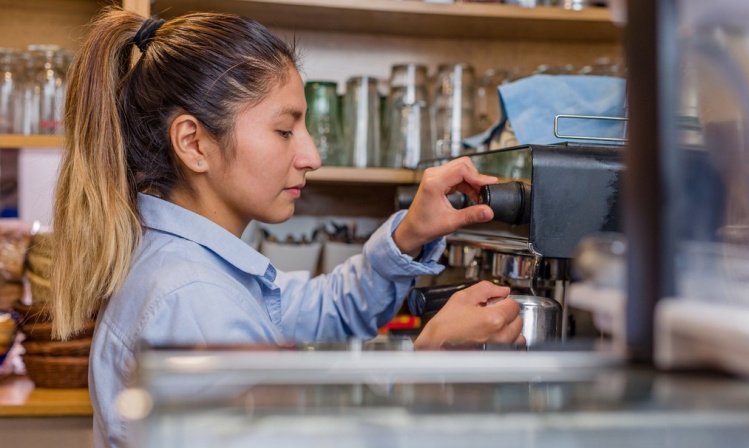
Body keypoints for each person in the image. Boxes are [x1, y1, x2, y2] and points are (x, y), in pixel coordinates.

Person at [49, 8, 525, 448]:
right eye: (284, 131)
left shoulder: (196, 269)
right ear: (194, 143)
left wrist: (409, 236)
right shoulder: (192, 297)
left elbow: (319, 311)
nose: (312, 157)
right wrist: (426, 368)